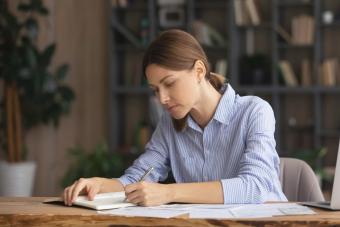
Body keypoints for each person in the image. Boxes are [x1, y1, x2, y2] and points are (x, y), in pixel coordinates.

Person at [63, 29, 287, 207]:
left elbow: (255, 187)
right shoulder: (169, 124)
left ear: (199, 71)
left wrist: (169, 192)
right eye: (155, 89)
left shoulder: (255, 111)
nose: (162, 98)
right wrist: (99, 184)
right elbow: (139, 179)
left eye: (169, 83)